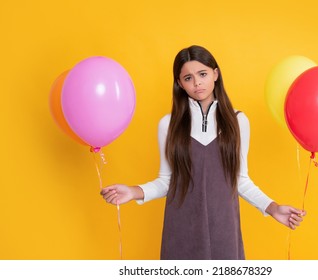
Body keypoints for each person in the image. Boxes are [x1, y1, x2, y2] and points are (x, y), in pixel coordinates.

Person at [100, 45, 306, 260]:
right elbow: (167, 181)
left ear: (215, 74)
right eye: (188, 78)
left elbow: (240, 180)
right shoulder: (168, 124)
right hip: (181, 228)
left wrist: (273, 208)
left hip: (224, 228)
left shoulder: (238, 122)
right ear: (179, 83)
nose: (197, 83)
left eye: (203, 74)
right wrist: (133, 192)